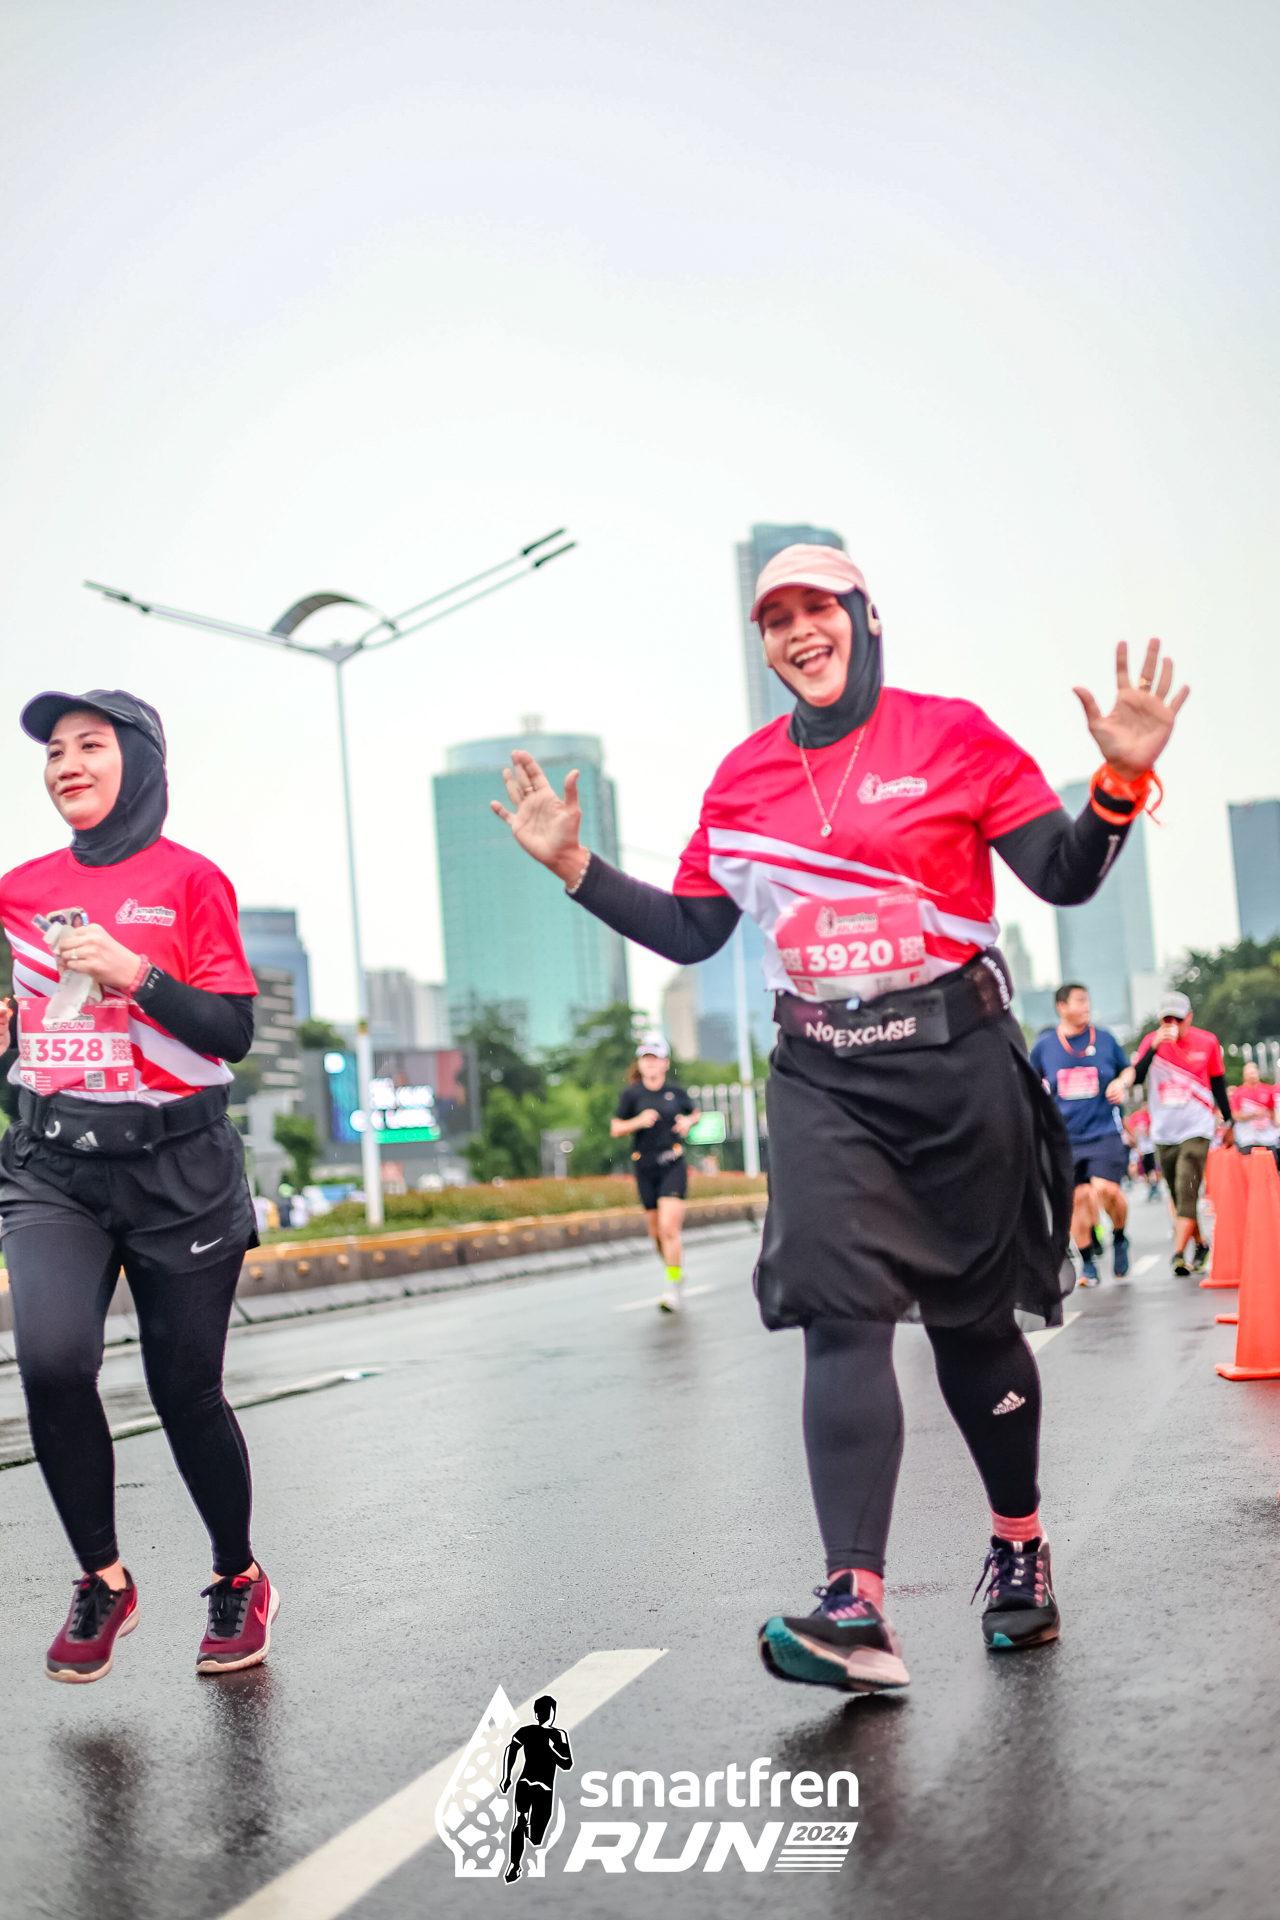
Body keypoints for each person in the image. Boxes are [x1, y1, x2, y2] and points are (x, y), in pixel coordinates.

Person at [491, 542, 1187, 1690]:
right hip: (822, 1074)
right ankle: (853, 1604)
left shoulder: (950, 736)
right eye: (777, 619)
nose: (799, 631)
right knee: (838, 1312)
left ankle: (1017, 1541)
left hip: (953, 1063)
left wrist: (1114, 783)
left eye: (819, 608)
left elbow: (1062, 875)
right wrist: (575, 868)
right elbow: (692, 931)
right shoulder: (743, 779)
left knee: (971, 1331)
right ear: (763, 645)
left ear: (864, 619)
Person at [0, 690, 278, 1683]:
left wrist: (135, 974)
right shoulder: (18, 890)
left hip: (180, 1170)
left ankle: (237, 1575)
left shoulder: (191, 880)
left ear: (142, 763)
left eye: (91, 745)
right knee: (51, 1362)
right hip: (53, 1167)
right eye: (54, 751)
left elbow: (233, 1033)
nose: (67, 764)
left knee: (183, 1390)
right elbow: (23, 1031)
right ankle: (103, 1579)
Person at [1110, 991, 1232, 1276]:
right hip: (1164, 1131)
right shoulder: (1151, 1042)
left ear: (1189, 1017)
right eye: (1167, 1019)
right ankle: (1200, 1243)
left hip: (1197, 1127)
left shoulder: (1207, 1041)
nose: (1173, 1024)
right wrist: (1153, 1047)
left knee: (1188, 1188)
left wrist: (1229, 1122)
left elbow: (1218, 1082)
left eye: (1178, 1019)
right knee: (1178, 1195)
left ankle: (1178, 1254)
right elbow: (1137, 1078)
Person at [1030, 984, 1131, 1284]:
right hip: (1064, 1139)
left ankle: (1120, 1236)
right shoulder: (1045, 1046)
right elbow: (1030, 1085)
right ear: (1061, 1007)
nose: (1086, 1006)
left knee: (1107, 1190)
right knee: (1078, 1198)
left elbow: (1127, 1070)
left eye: (1087, 1000)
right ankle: (1087, 1261)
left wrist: (1122, 1083)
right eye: (1079, 1001)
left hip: (1103, 1132)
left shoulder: (1105, 1038)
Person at [611, 1035, 700, 1312]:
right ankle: (675, 1271)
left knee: (669, 1227)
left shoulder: (675, 1092)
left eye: (654, 1059)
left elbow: (695, 1113)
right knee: (656, 1233)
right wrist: (637, 1121)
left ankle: (673, 1286)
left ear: (665, 1063)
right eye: (645, 1059)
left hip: (672, 1162)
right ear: (640, 1063)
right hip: (644, 1166)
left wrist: (688, 1121)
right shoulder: (632, 1094)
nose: (650, 1064)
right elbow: (616, 1128)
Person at [499, 1693, 573, 1884]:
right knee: (519, 1820)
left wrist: (551, 1749)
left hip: (542, 1788)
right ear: (537, 1713)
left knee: (536, 1837)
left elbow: (567, 1764)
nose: (545, 1715)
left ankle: (526, 1833)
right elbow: (511, 1749)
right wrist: (506, 1776)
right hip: (528, 1783)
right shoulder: (528, 1731)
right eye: (542, 1711)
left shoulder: (558, 1735)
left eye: (547, 1711)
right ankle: (514, 1864)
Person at [1229, 1060, 1279, 1154]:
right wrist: (1253, 1115)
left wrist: (1275, 1123)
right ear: (1244, 1075)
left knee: (1271, 1159)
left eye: (1253, 1072)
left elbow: (1272, 1111)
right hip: (1247, 1137)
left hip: (1266, 1136)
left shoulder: (1267, 1090)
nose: (1252, 1075)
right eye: (1249, 1073)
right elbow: (1235, 1115)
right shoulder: (1238, 1093)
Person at [1124, 1101, 1162, 1198]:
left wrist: (1146, 1132)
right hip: (1140, 1147)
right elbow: (1131, 1130)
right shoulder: (1136, 1116)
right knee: (1143, 1168)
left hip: (1151, 1147)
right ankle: (1149, 1186)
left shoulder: (1151, 1116)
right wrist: (1136, 1144)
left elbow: (1153, 1131)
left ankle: (1154, 1186)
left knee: (1153, 1168)